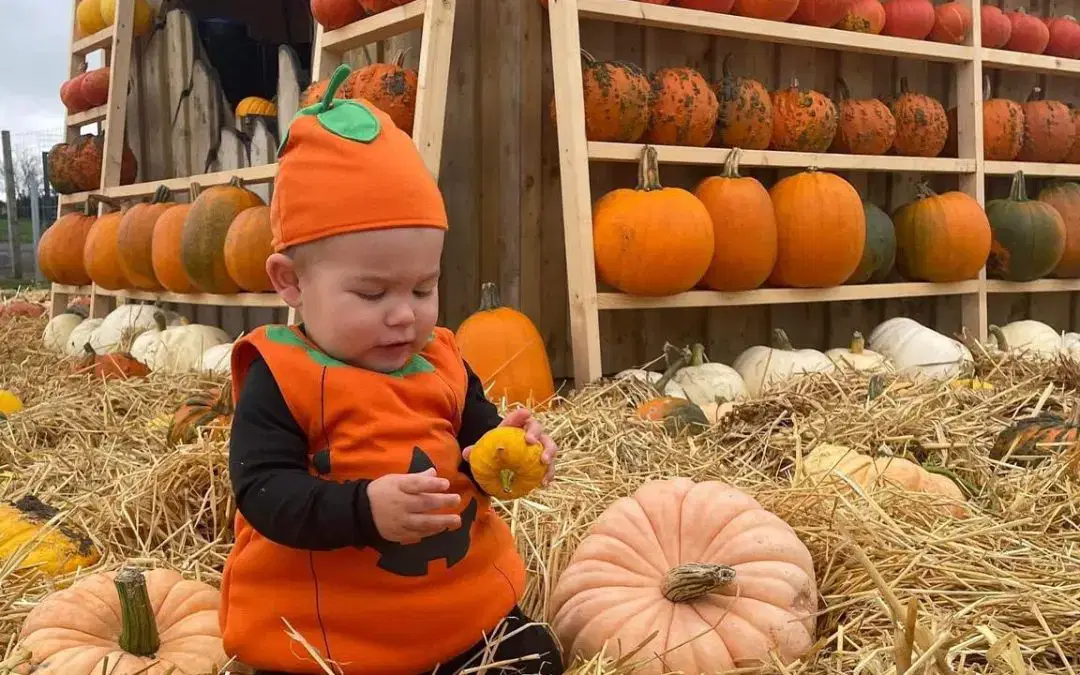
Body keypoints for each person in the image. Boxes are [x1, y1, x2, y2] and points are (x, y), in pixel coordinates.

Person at [219, 64, 563, 675]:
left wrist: (510, 451)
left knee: (536, 655)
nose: (405, 316)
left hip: (456, 608)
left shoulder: (441, 359)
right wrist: (364, 511)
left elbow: (475, 444)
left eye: (424, 288)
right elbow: (264, 494)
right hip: (328, 633)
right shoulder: (282, 375)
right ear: (290, 282)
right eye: (374, 295)